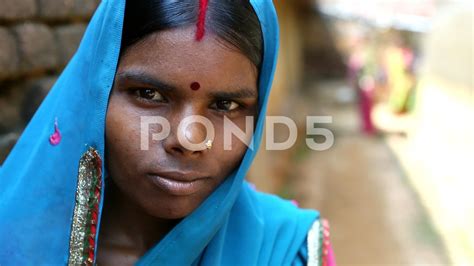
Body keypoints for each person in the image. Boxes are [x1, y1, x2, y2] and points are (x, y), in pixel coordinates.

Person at [0, 0, 335, 264]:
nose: (188, 140)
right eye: (149, 94)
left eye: (227, 106)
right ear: (95, 94)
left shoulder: (288, 252)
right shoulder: (12, 240)